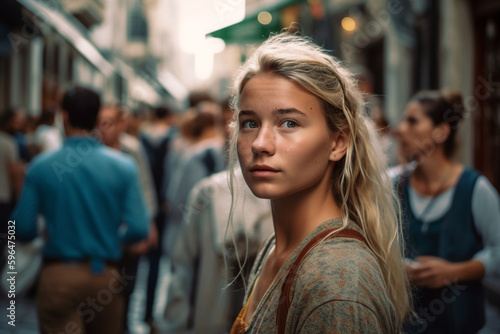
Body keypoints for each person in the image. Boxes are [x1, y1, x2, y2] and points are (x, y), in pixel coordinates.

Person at [227, 32, 411, 334]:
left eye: (289, 123)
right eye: (250, 123)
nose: (260, 143)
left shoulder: (336, 286)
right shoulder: (278, 248)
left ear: (338, 143)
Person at [11, 86, 151, 334]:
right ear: (97, 117)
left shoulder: (41, 167)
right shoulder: (123, 166)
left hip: (58, 274)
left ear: (63, 116)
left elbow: (21, 227)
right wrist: (112, 240)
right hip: (105, 276)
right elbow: (140, 227)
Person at [393, 90, 500, 333]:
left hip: (463, 325)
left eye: (412, 121)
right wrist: (395, 267)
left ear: (440, 132)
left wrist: (453, 272)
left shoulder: (475, 188)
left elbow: (498, 250)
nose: (399, 129)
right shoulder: (391, 184)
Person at [155, 167, 273, 334]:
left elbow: (182, 268)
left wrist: (173, 324)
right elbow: (183, 268)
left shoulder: (210, 189)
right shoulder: (210, 191)